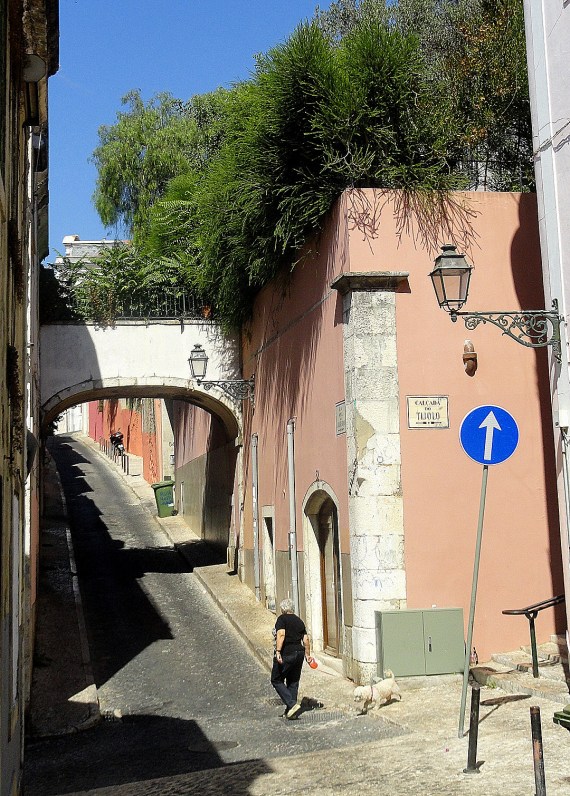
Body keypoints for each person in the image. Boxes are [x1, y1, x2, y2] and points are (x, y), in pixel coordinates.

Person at [271, 598, 312, 719]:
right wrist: (307, 655)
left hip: (287, 653)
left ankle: (292, 704)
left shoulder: (282, 619)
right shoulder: (299, 621)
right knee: (293, 681)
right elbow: (306, 639)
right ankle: (291, 712)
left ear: (283, 609)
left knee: (276, 679)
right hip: (299, 653)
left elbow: (281, 634)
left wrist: (278, 651)